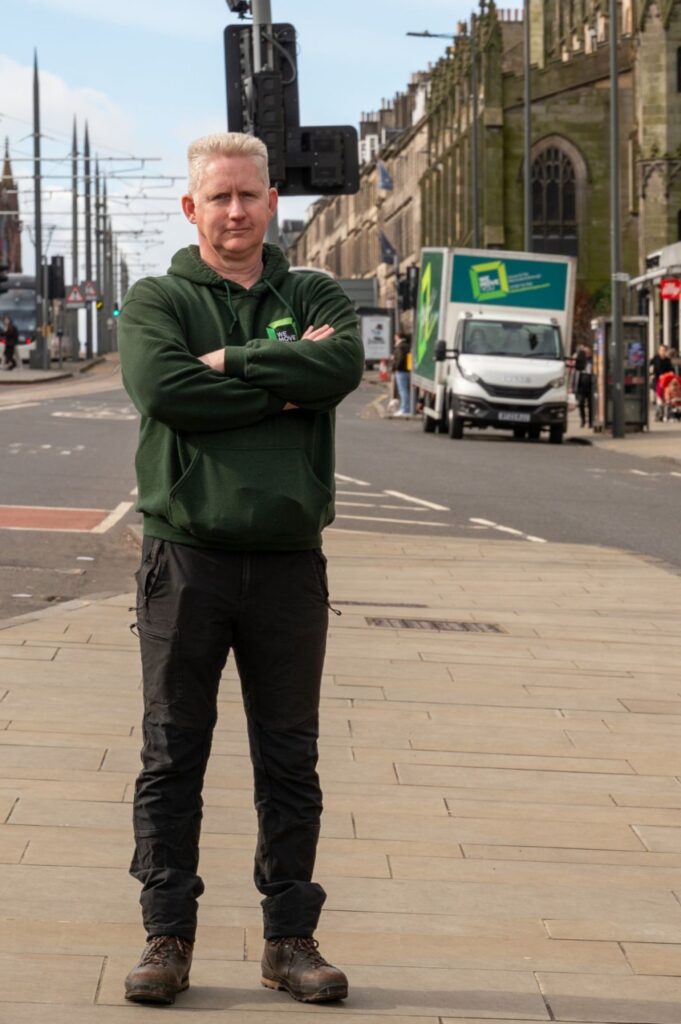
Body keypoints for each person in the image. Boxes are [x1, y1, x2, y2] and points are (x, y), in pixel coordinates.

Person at [117, 132, 364, 1007]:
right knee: (172, 754)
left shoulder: (311, 291)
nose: (234, 211)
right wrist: (284, 387)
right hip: (185, 559)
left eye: (249, 195)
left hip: (290, 562)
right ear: (191, 208)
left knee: (289, 759)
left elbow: (343, 363)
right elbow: (168, 393)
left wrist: (233, 362)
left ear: (271, 203)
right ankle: (166, 937)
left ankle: (289, 940)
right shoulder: (157, 300)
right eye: (217, 197)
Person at [650, 344, 674, 421]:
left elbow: (671, 370)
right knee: (659, 398)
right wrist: (651, 374)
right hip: (657, 380)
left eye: (664, 350)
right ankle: (658, 415)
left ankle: (664, 414)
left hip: (665, 381)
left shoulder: (667, 360)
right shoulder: (655, 358)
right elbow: (648, 364)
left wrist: (670, 375)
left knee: (665, 398)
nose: (662, 352)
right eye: (660, 350)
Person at [574, 343, 594, 428]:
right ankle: (583, 420)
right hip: (581, 386)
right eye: (584, 352)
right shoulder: (580, 361)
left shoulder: (593, 361)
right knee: (581, 403)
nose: (586, 354)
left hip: (590, 385)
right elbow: (575, 373)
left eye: (587, 352)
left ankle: (590, 422)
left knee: (591, 405)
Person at [392, 332, 411, 415]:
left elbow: (400, 358)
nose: (394, 338)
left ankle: (404, 409)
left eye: (395, 336)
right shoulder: (407, 345)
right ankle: (406, 408)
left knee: (402, 390)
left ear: (398, 337)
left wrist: (395, 367)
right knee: (405, 390)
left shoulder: (400, 346)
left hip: (401, 370)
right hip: (407, 370)